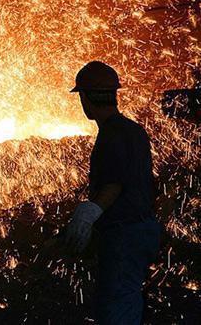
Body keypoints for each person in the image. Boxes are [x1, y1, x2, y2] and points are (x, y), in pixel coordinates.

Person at [63, 61, 161, 324]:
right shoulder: (133, 130)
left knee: (116, 306)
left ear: (85, 98)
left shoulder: (112, 134)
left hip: (125, 235)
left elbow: (114, 184)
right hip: (143, 229)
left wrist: (88, 213)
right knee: (127, 299)